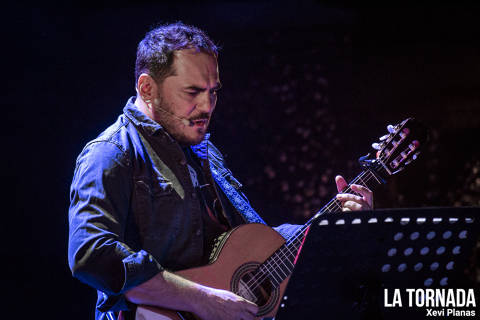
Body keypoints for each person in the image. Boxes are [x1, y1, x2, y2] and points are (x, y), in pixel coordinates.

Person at [68, 22, 373, 320]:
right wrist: (202, 300)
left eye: (213, 92)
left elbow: (256, 246)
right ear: (148, 88)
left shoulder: (204, 150)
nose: (207, 106)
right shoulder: (111, 153)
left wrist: (332, 227)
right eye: (192, 92)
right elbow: (91, 254)